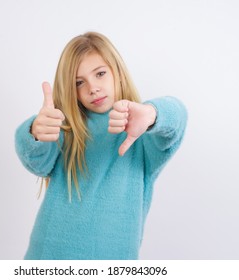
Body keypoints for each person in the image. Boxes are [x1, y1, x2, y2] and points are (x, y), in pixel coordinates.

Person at [15, 32, 187, 260]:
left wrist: (152, 113)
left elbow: (177, 117)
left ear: (118, 71)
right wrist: (35, 131)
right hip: (48, 255)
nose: (93, 88)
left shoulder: (142, 132)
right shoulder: (66, 127)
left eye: (100, 74)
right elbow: (36, 162)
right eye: (79, 82)